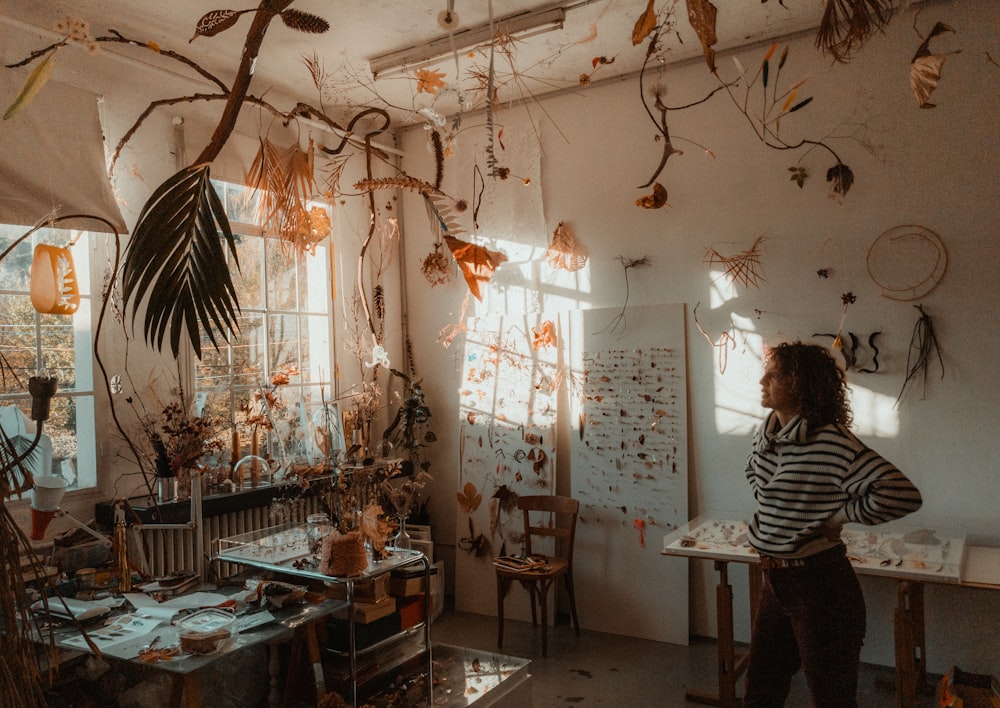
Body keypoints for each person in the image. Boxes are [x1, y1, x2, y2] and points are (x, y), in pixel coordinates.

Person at [743, 342, 923, 708]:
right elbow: (754, 474)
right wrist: (784, 507)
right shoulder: (768, 436)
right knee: (761, 692)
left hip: (821, 587)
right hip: (775, 582)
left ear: (800, 383)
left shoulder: (832, 440)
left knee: (831, 699)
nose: (762, 380)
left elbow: (902, 493)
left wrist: (836, 516)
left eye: (774, 374)